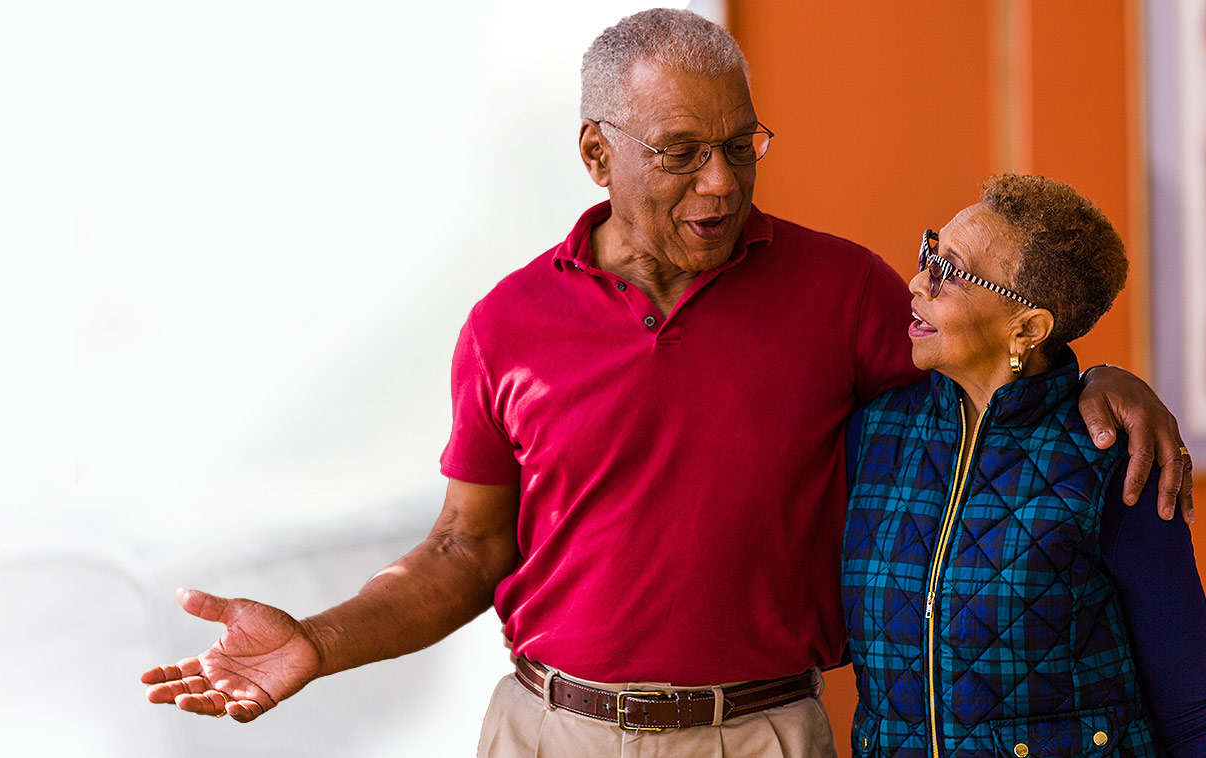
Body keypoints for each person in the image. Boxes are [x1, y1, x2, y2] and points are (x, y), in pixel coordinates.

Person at [141, 10, 1194, 757]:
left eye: (742, 145)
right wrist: (318, 641)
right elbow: (465, 550)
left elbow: (994, 377)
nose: (722, 182)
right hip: (547, 730)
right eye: (681, 152)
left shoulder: (840, 291)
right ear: (597, 154)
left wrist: (1105, 381)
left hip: (763, 732)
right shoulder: (505, 324)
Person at [841, 175, 1206, 757]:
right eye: (928, 253)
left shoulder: (1114, 456)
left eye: (949, 272)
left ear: (1028, 328)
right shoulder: (874, 434)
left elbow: (1192, 703)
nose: (916, 284)